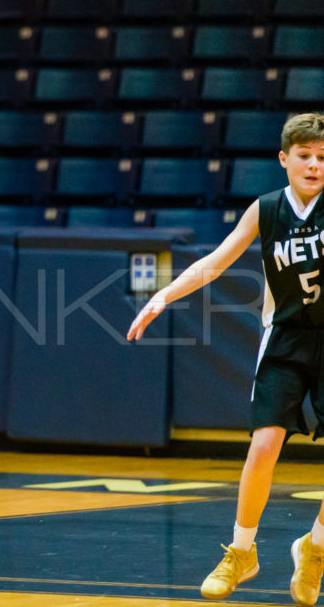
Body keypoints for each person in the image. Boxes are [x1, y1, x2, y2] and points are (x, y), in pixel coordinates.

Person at [127, 112, 324, 606]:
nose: (315, 165)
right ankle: (241, 552)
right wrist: (163, 296)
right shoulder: (266, 209)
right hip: (284, 339)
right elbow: (214, 262)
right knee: (264, 446)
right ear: (284, 159)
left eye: (323, 158)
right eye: (305, 156)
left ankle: (315, 548)